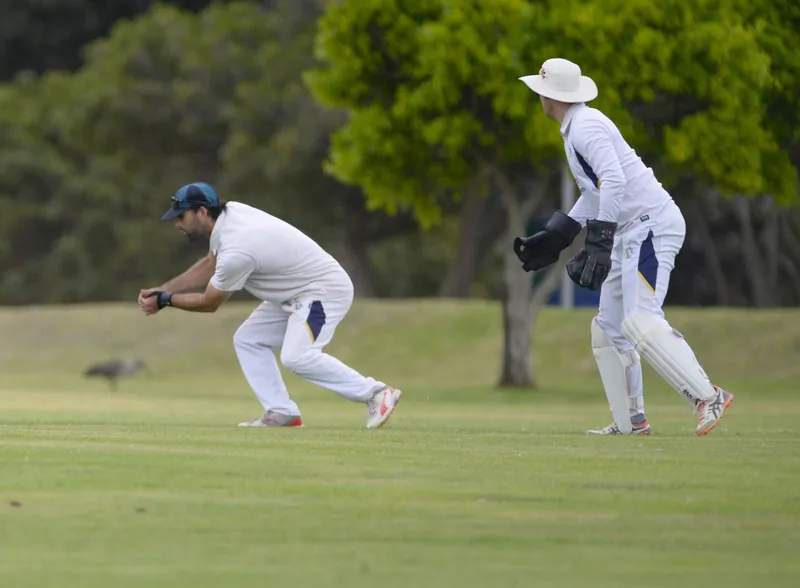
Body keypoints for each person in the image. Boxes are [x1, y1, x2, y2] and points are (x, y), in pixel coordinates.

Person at [513, 58, 734, 436]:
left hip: (651, 226)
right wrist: (561, 233)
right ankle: (631, 422)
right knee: (609, 327)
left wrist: (600, 240)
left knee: (640, 320)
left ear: (549, 95)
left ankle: (707, 395)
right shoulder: (576, 128)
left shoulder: (586, 127)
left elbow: (613, 180)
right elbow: (595, 192)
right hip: (632, 230)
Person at [138, 182, 402, 429]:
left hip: (323, 291)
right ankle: (281, 412)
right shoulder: (231, 215)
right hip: (293, 294)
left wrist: (165, 300)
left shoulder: (237, 250)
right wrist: (164, 289)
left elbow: (210, 302)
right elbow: (210, 264)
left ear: (203, 212)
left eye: (181, 216)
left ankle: (377, 393)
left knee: (297, 356)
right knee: (249, 339)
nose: (177, 223)